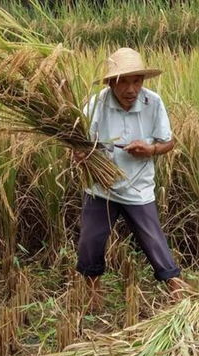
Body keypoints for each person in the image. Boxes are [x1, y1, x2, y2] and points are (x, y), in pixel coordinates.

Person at [73, 47, 188, 310]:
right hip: (101, 187)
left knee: (153, 239)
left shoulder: (153, 103)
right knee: (91, 241)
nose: (131, 89)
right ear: (112, 82)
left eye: (136, 80)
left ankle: (178, 294)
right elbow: (79, 145)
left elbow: (168, 142)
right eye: (124, 81)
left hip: (138, 187)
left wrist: (151, 150)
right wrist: (80, 154)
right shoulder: (96, 105)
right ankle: (93, 296)